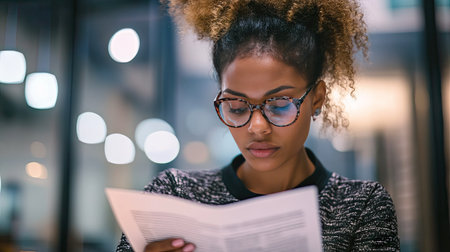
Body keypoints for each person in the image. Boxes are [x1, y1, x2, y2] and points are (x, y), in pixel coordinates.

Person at [116, 0, 400, 251]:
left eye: (279, 105)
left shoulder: (360, 207)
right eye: (237, 107)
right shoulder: (174, 195)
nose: (257, 127)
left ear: (317, 99)